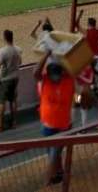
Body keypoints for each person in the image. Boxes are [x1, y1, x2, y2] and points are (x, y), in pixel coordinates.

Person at [35, 52, 73, 185]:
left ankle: (48, 180)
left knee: (53, 154)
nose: (55, 79)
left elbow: (72, 70)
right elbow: (36, 73)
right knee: (52, 153)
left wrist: (62, 59)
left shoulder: (68, 80)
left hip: (63, 127)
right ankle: (60, 173)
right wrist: (46, 55)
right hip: (47, 126)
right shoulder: (45, 80)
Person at [0, 29, 22, 131]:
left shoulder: (2, 51)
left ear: (4, 37)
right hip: (15, 77)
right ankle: (14, 122)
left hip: (5, 79)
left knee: (1, 101)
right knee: (13, 100)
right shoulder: (18, 49)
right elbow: (20, 62)